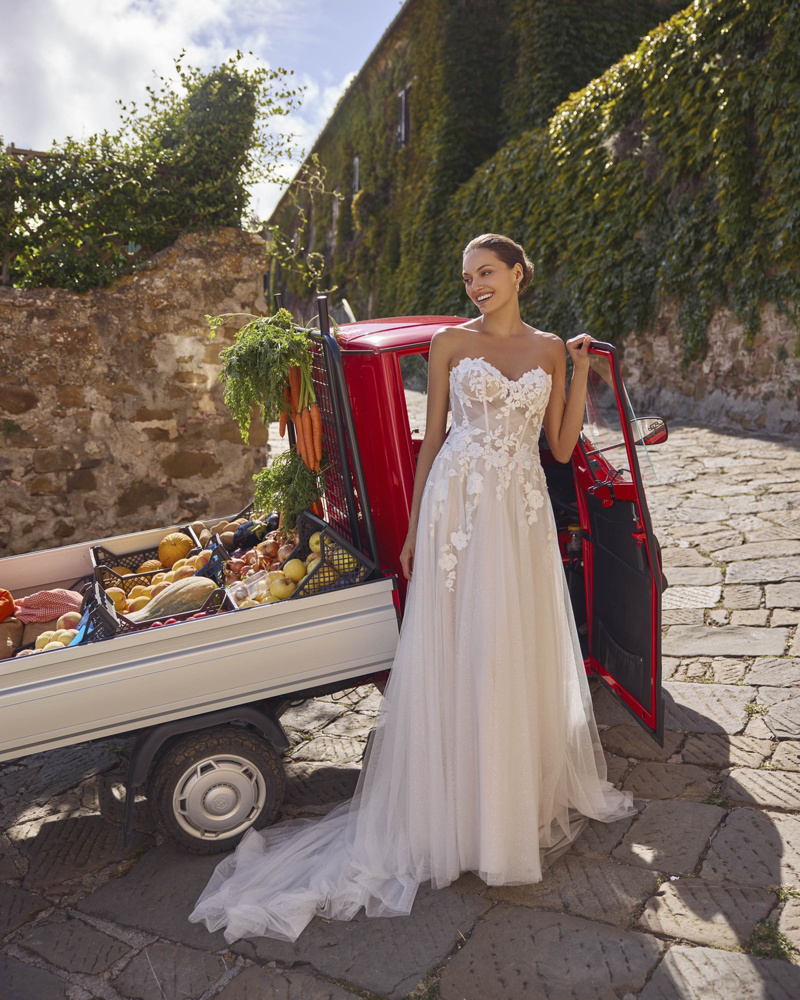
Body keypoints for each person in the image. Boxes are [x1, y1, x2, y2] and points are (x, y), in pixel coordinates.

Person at [189, 233, 636, 944]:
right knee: (463, 646)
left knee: (510, 646)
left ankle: (505, 808)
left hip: (519, 511)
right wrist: (415, 528)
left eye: (486, 272)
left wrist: (581, 372)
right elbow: (430, 443)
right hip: (458, 505)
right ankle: (451, 812)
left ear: (518, 272)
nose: (476, 285)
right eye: (467, 276)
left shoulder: (552, 350)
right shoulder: (450, 344)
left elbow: (558, 448)